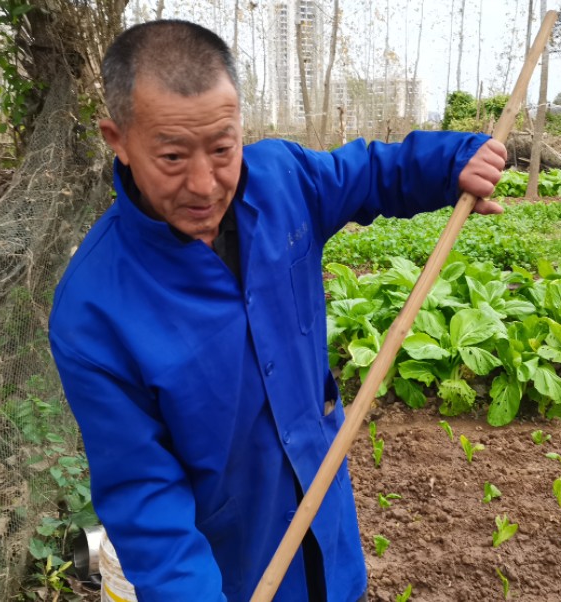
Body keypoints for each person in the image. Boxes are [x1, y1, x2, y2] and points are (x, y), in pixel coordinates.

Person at [49, 19, 507, 602]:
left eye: (222, 149)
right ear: (118, 140)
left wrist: (452, 163)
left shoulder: (282, 180)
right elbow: (144, 495)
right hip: (231, 564)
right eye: (170, 157)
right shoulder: (93, 311)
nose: (204, 184)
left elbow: (369, 173)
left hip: (327, 528)